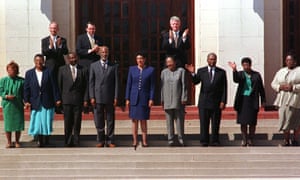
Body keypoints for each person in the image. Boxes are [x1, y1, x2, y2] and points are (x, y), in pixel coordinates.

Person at [185, 52, 227, 146]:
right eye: (210, 59)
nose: (212, 61)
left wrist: (223, 101)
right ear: (207, 60)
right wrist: (192, 73)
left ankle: (215, 141)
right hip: (204, 101)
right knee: (204, 122)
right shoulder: (201, 71)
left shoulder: (221, 72)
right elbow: (196, 82)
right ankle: (204, 141)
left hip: (216, 101)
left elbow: (224, 88)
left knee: (215, 123)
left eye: (214, 59)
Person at [24, 54, 61, 147]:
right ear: (34, 62)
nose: (39, 62)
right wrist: (26, 100)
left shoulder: (49, 72)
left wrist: (57, 99)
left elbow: (54, 86)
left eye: (40, 60)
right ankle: (40, 140)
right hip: (35, 101)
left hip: (47, 100)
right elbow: (26, 88)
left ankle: (47, 139)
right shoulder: (29, 73)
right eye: (37, 61)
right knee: (37, 121)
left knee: (46, 120)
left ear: (43, 61)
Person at [228, 58, 266, 146]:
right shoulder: (241, 74)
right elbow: (236, 80)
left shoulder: (256, 75)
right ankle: (244, 139)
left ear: (250, 65)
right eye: (244, 65)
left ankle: (251, 139)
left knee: (252, 122)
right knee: (243, 121)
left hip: (252, 100)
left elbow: (261, 88)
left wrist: (263, 100)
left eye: (247, 65)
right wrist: (234, 70)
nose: (245, 67)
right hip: (242, 100)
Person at [89, 46, 118, 148]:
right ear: (99, 53)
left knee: (110, 120)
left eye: (106, 52)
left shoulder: (113, 66)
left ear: (108, 53)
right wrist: (92, 96)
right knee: (99, 119)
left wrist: (115, 97)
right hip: (97, 97)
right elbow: (91, 83)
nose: (104, 54)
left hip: (109, 96)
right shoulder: (93, 66)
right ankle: (100, 140)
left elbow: (116, 83)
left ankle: (110, 140)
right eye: (102, 52)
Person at [57, 52, 89, 147]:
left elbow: (86, 86)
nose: (73, 59)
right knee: (67, 122)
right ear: (68, 59)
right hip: (66, 100)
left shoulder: (83, 69)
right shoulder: (62, 69)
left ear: (77, 58)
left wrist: (85, 99)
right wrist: (59, 99)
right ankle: (68, 140)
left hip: (78, 100)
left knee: (77, 122)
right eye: (70, 58)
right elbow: (59, 85)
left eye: (74, 58)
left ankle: (76, 140)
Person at [125, 52, 155, 148]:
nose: (139, 60)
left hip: (144, 98)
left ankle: (144, 140)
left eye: (141, 58)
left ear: (144, 59)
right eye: (138, 58)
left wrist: (151, 98)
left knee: (143, 120)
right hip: (134, 97)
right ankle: (134, 140)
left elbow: (152, 86)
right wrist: (127, 98)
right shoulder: (132, 69)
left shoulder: (150, 70)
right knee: (134, 120)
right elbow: (128, 84)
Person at [271, 53, 300, 146]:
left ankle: (295, 139)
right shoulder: (281, 71)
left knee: (295, 120)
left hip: (295, 99)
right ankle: (286, 140)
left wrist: (293, 87)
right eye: (287, 60)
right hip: (283, 99)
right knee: (284, 119)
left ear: (295, 61)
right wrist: (280, 87)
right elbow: (273, 83)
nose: (288, 62)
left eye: (290, 60)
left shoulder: (299, 70)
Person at [161, 56, 187, 146]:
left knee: (179, 120)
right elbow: (162, 86)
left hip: (178, 99)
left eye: (171, 63)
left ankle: (181, 138)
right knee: (169, 121)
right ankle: (170, 139)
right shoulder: (164, 72)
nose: (169, 65)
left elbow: (184, 85)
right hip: (167, 99)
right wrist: (162, 99)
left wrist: (184, 97)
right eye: (167, 63)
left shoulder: (181, 71)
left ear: (175, 62)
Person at [0, 61, 24, 148]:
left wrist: (27, 101)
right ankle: (9, 142)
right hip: (8, 105)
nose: (11, 72)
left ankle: (17, 141)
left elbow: (25, 92)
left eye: (13, 70)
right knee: (8, 124)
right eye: (9, 70)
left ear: (16, 71)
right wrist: (6, 96)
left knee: (18, 124)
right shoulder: (3, 80)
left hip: (18, 105)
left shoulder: (21, 81)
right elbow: (1, 91)